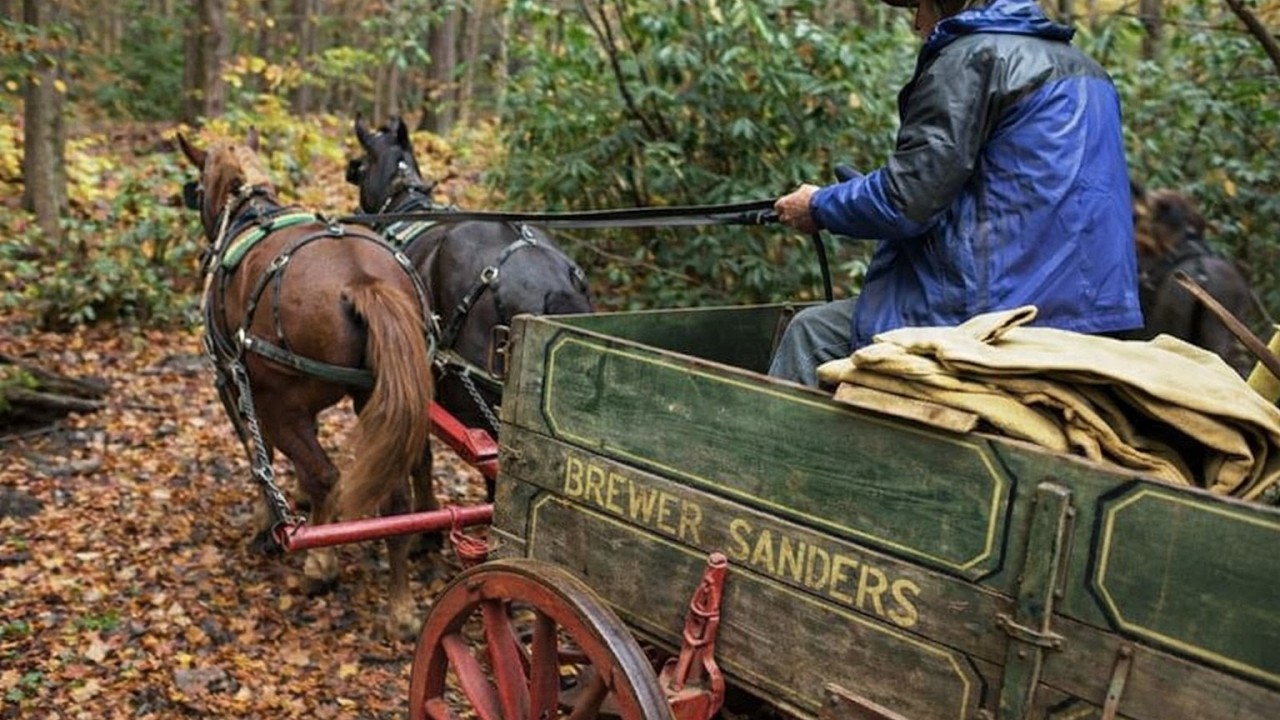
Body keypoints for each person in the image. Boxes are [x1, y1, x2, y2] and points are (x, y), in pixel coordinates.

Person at [769, 0, 1143, 387]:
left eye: (919, 5)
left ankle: (767, 449)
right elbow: (1015, 195)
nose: (916, 22)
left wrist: (819, 205)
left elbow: (904, 203)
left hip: (993, 315)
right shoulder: (1091, 72)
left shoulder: (971, 57)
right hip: (1096, 316)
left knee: (811, 333)